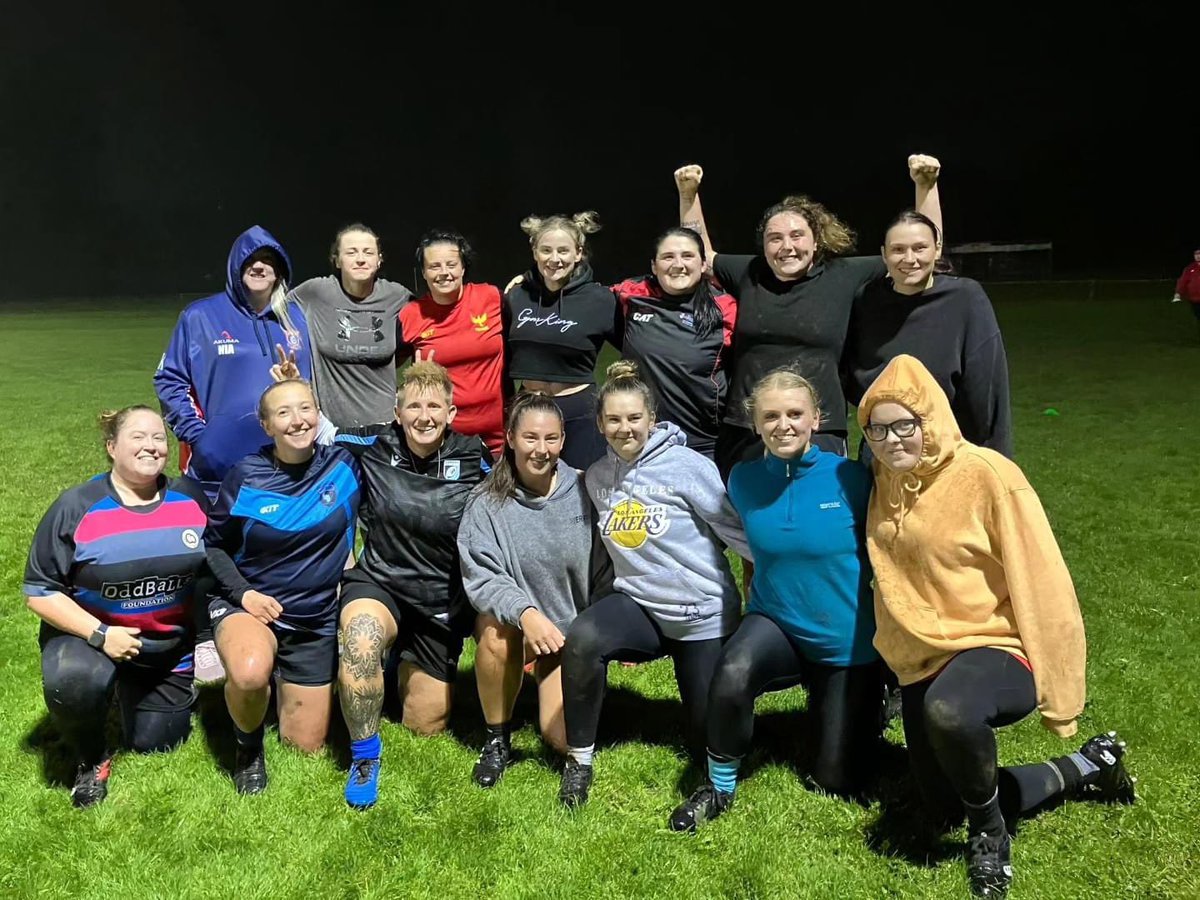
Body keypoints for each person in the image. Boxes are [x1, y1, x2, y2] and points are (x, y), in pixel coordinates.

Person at [859, 354, 1135, 898]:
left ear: (931, 419)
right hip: (923, 656)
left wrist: (1060, 683)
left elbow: (1043, 580)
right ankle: (1089, 765)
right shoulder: (884, 477)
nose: (892, 439)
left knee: (951, 713)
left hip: (996, 643)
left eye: (905, 425)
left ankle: (991, 834)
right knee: (944, 804)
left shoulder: (986, 475)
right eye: (877, 428)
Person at [668, 367, 879, 832]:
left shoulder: (852, 478)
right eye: (771, 416)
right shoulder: (742, 479)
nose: (783, 424)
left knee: (834, 780)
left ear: (816, 418)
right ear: (755, 423)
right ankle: (719, 784)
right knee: (734, 669)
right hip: (776, 620)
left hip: (845, 640)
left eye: (794, 414)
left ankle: (864, 702)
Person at [674, 156, 943, 478]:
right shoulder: (749, 272)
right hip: (747, 427)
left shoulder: (843, 275)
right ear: (764, 244)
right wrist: (688, 196)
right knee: (743, 520)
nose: (786, 246)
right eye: (775, 238)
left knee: (819, 518)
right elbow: (701, 257)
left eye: (797, 236)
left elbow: (917, 250)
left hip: (821, 428)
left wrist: (926, 187)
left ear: (816, 242)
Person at [558, 361, 752, 808]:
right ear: (601, 425)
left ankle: (717, 781)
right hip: (641, 605)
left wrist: (769, 588)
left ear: (652, 418)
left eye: (634, 418)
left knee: (710, 737)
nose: (625, 428)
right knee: (583, 637)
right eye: (614, 420)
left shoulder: (688, 467)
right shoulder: (600, 479)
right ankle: (580, 761)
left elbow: (735, 531)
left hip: (699, 611)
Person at [23, 406, 208, 808]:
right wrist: (102, 635)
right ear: (112, 447)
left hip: (163, 651)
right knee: (75, 682)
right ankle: (90, 759)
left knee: (156, 742)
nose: (151, 446)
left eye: (159, 437)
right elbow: (39, 591)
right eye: (137, 437)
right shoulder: (76, 506)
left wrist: (209, 639)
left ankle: (130, 687)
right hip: (90, 638)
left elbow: (214, 573)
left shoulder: (191, 500)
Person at [154, 225, 312, 682]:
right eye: (250, 261)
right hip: (215, 466)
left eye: (269, 261)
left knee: (269, 544)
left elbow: (302, 386)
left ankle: (277, 628)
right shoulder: (201, 316)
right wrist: (200, 437)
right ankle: (204, 635)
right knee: (206, 548)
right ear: (236, 267)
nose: (260, 268)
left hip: (278, 462)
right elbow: (170, 380)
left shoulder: (293, 318)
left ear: (281, 269)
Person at [333, 361, 491, 809]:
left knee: (426, 722)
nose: (425, 416)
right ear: (397, 412)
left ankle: (394, 665)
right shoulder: (372, 443)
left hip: (438, 601)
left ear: (452, 412)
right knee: (361, 640)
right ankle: (365, 757)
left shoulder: (474, 456)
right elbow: (309, 433)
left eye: (435, 406)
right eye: (414, 406)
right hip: (379, 582)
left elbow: (513, 499)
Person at [202, 379, 361, 794]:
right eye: (284, 413)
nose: (297, 421)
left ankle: (275, 687)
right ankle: (248, 747)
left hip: (314, 619)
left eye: (305, 409)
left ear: (318, 413)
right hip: (252, 606)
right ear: (266, 424)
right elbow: (214, 547)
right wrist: (245, 596)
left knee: (304, 746)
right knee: (252, 672)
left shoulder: (344, 465)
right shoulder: (245, 476)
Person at [458, 392, 611, 787]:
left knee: (560, 739)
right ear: (510, 437)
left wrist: (590, 633)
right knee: (493, 631)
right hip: (519, 629)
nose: (541, 450)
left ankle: (557, 679)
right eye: (530, 438)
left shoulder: (584, 490)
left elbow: (607, 566)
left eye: (551, 439)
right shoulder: (486, 502)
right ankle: (497, 737)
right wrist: (526, 614)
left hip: (571, 631)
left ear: (563, 440)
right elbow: (483, 576)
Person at [843, 210, 1012, 456]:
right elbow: (854, 371)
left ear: (937, 249)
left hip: (948, 447)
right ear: (883, 254)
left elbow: (987, 385)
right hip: (884, 449)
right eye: (898, 250)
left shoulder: (965, 298)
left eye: (920, 248)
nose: (909, 259)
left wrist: (993, 456)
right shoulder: (866, 300)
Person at [504, 212, 622, 470]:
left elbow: (635, 349)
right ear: (535, 252)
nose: (554, 259)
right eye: (546, 250)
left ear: (578, 253)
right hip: (528, 408)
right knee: (527, 490)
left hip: (579, 411)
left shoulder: (601, 299)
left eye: (563, 251)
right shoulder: (516, 295)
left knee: (583, 487)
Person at [611, 228, 738, 459]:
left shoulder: (725, 308)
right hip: (641, 439)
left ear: (702, 264)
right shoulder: (632, 294)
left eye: (687, 256)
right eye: (668, 257)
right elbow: (582, 298)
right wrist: (528, 283)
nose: (678, 264)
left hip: (704, 442)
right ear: (653, 266)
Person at [289, 223, 413, 430]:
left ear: (379, 259)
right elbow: (272, 310)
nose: (361, 259)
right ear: (337, 260)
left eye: (368, 252)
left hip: (386, 428)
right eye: (351, 252)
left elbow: (421, 332)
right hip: (331, 431)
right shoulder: (315, 293)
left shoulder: (397, 296)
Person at [398, 229, 508, 457]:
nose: (444, 273)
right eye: (434, 266)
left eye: (451, 264)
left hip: (501, 438)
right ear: (424, 273)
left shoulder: (491, 298)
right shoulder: (411, 315)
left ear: (463, 267)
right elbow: (384, 366)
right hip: (444, 442)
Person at [1172, 246, 1200, 337]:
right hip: (1194, 298)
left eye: (1199, 254)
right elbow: (1182, 281)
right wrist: (1178, 293)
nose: (1198, 256)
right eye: (1196, 254)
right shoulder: (1190, 268)